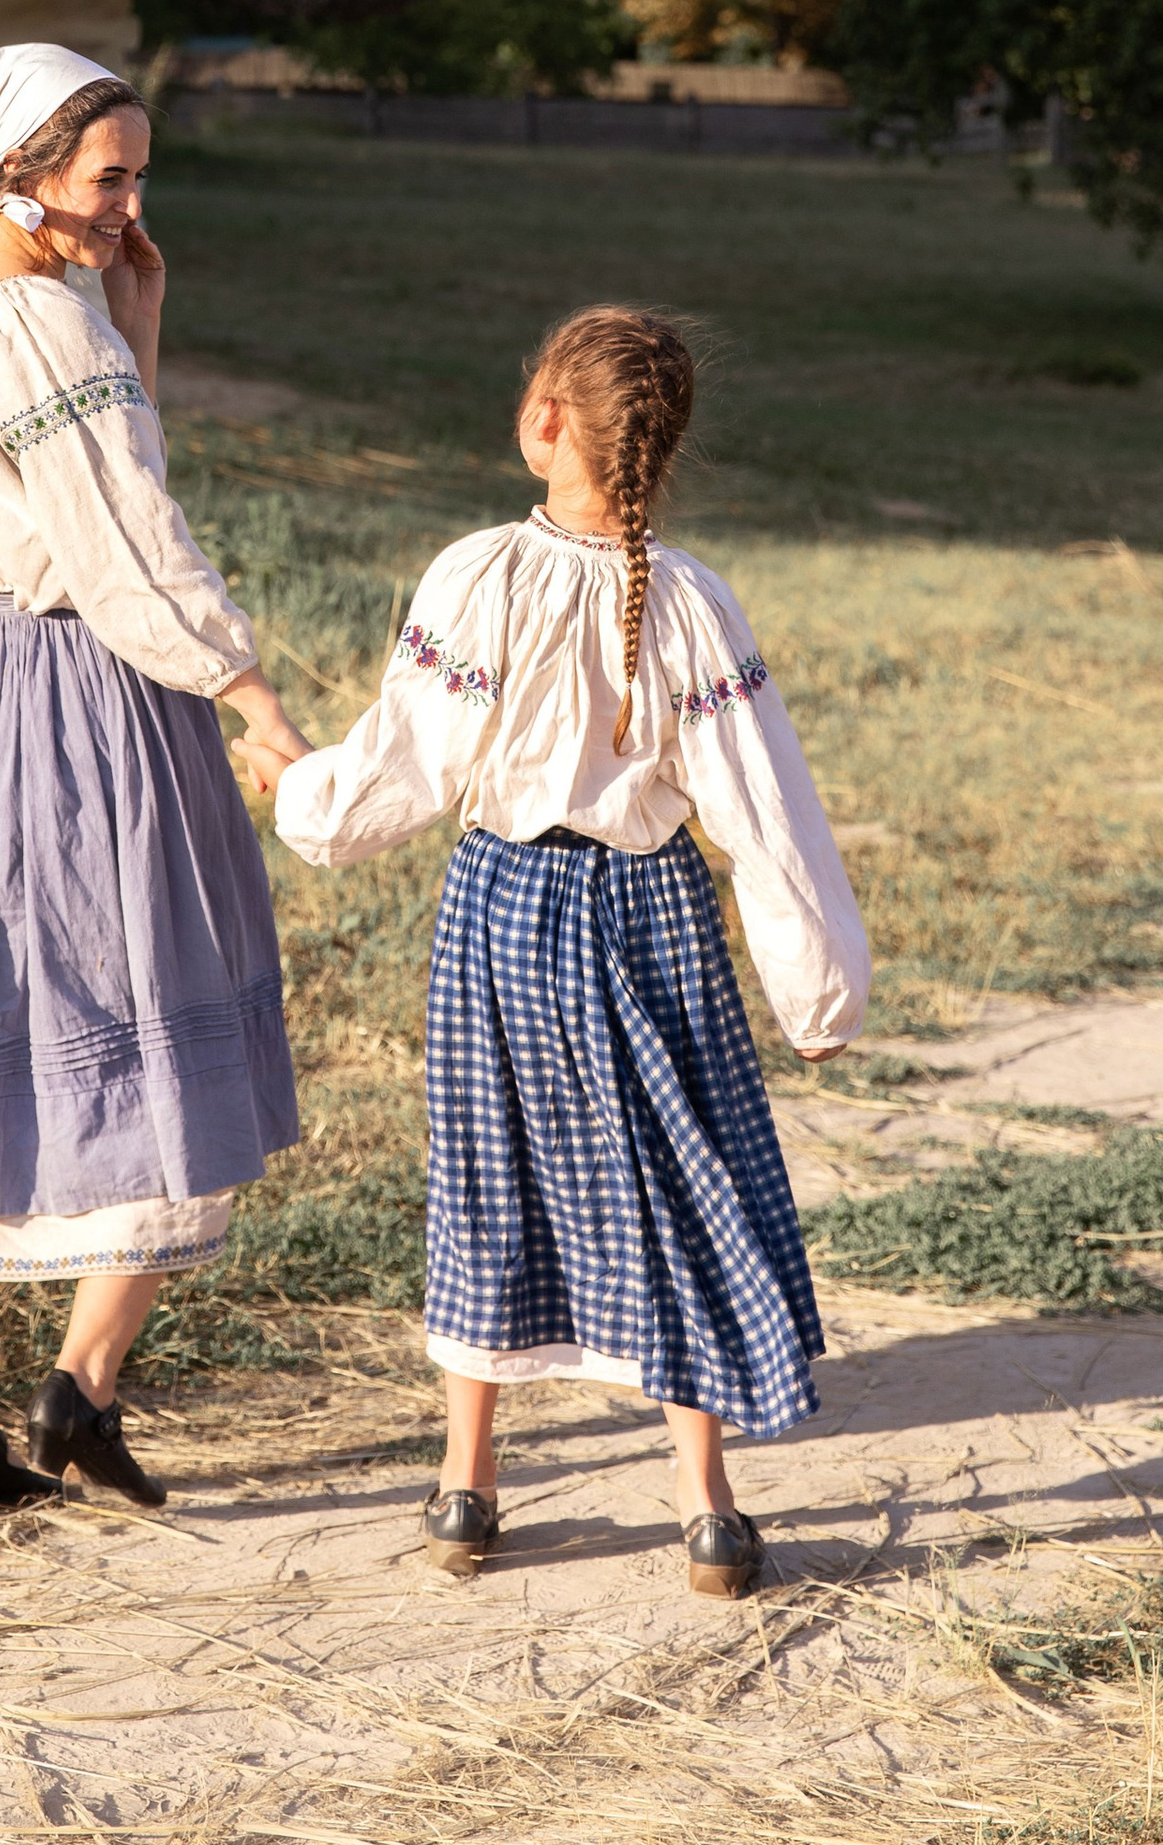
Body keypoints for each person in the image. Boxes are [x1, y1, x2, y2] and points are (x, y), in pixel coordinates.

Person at [234, 304, 867, 1597]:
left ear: (544, 423)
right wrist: (820, 988)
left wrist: (298, 787)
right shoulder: (696, 603)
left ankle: (466, 1492)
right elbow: (765, 811)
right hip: (656, 917)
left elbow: (403, 769)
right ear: (662, 447)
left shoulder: (478, 576)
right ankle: (706, 1508)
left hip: (505, 914)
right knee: (682, 1181)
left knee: (490, 1178)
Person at [0, 43, 305, 1519]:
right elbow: (128, 545)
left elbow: (75, 489)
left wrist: (132, 326)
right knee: (155, 987)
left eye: (138, 176)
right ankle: (82, 1385)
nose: (130, 203)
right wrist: (253, 698)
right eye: (109, 178)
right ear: (18, 174)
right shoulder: (47, 326)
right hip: (82, 691)